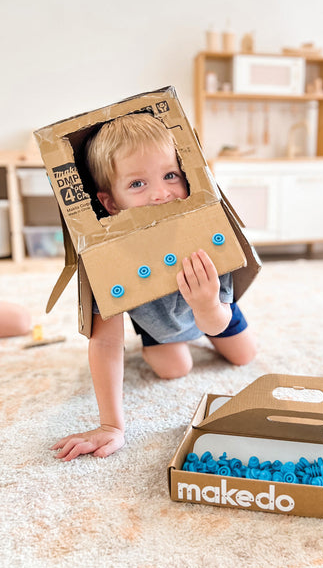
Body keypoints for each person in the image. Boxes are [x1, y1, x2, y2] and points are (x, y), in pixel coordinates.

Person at [52, 113, 256, 461]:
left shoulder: (203, 228)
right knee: (175, 369)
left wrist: (207, 306)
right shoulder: (105, 257)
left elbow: (215, 318)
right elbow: (105, 341)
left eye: (170, 175)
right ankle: (158, 341)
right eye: (137, 184)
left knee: (244, 356)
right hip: (159, 321)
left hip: (214, 307)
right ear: (111, 203)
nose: (161, 194)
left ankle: (204, 325)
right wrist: (111, 426)